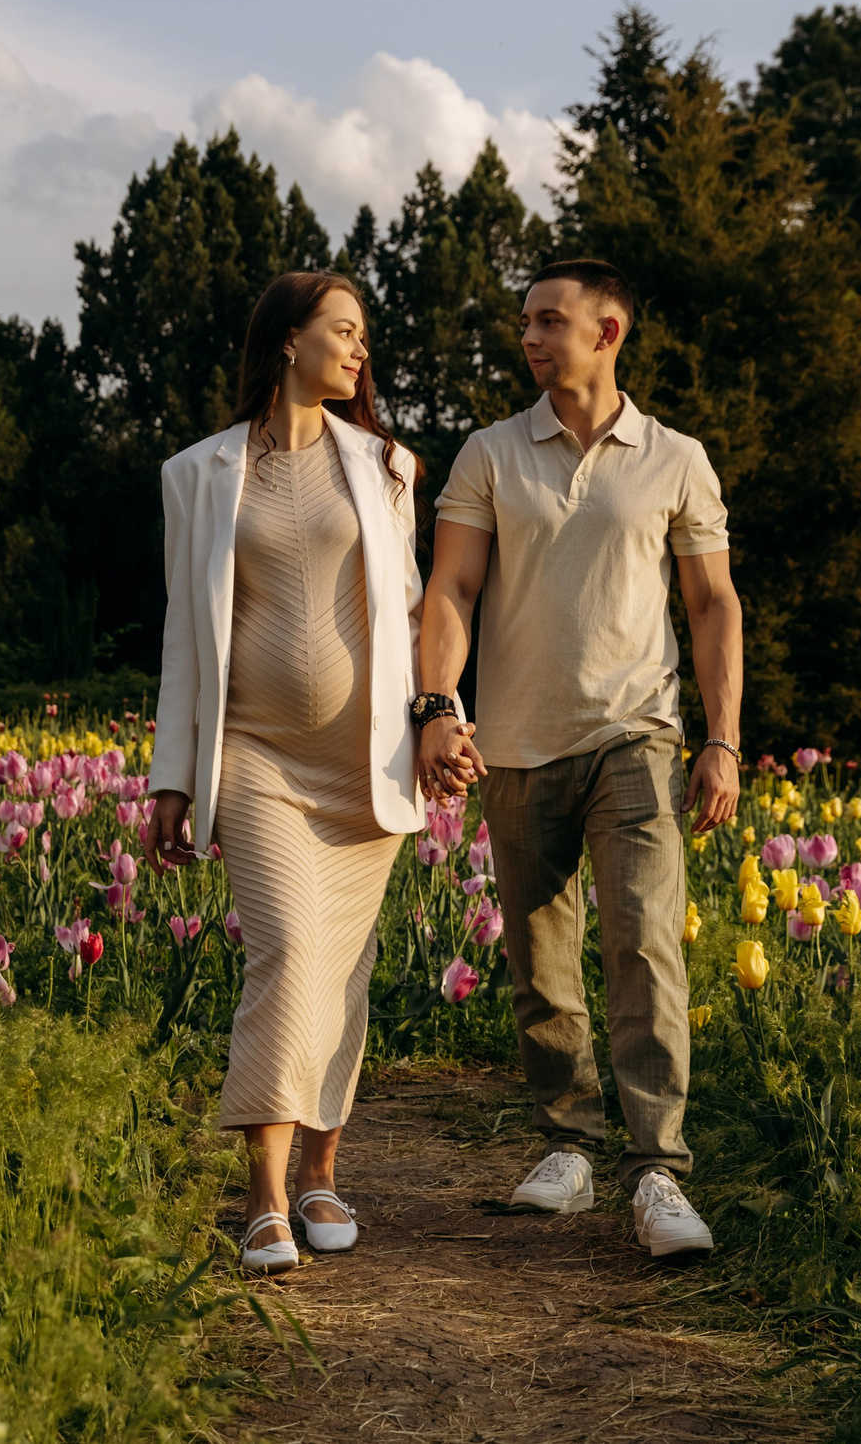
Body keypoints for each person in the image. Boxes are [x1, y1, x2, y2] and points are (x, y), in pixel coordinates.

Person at [414, 257, 742, 1257]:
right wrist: (435, 707)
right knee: (538, 954)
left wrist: (721, 736)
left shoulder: (674, 456)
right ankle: (566, 1144)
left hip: (635, 731)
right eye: (524, 321)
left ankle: (656, 1169)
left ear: (609, 332)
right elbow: (452, 590)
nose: (531, 335)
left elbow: (711, 603)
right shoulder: (488, 453)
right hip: (513, 740)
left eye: (551, 320)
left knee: (643, 938)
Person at [148, 271, 426, 1276]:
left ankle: (321, 1171)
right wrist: (170, 775)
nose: (359, 350)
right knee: (290, 952)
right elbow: (188, 630)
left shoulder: (389, 464)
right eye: (341, 331)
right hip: (256, 755)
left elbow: (411, 613)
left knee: (341, 974)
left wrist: (441, 718)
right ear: (286, 344)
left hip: (365, 766)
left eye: (362, 335)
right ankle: (262, 1193)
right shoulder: (198, 472)